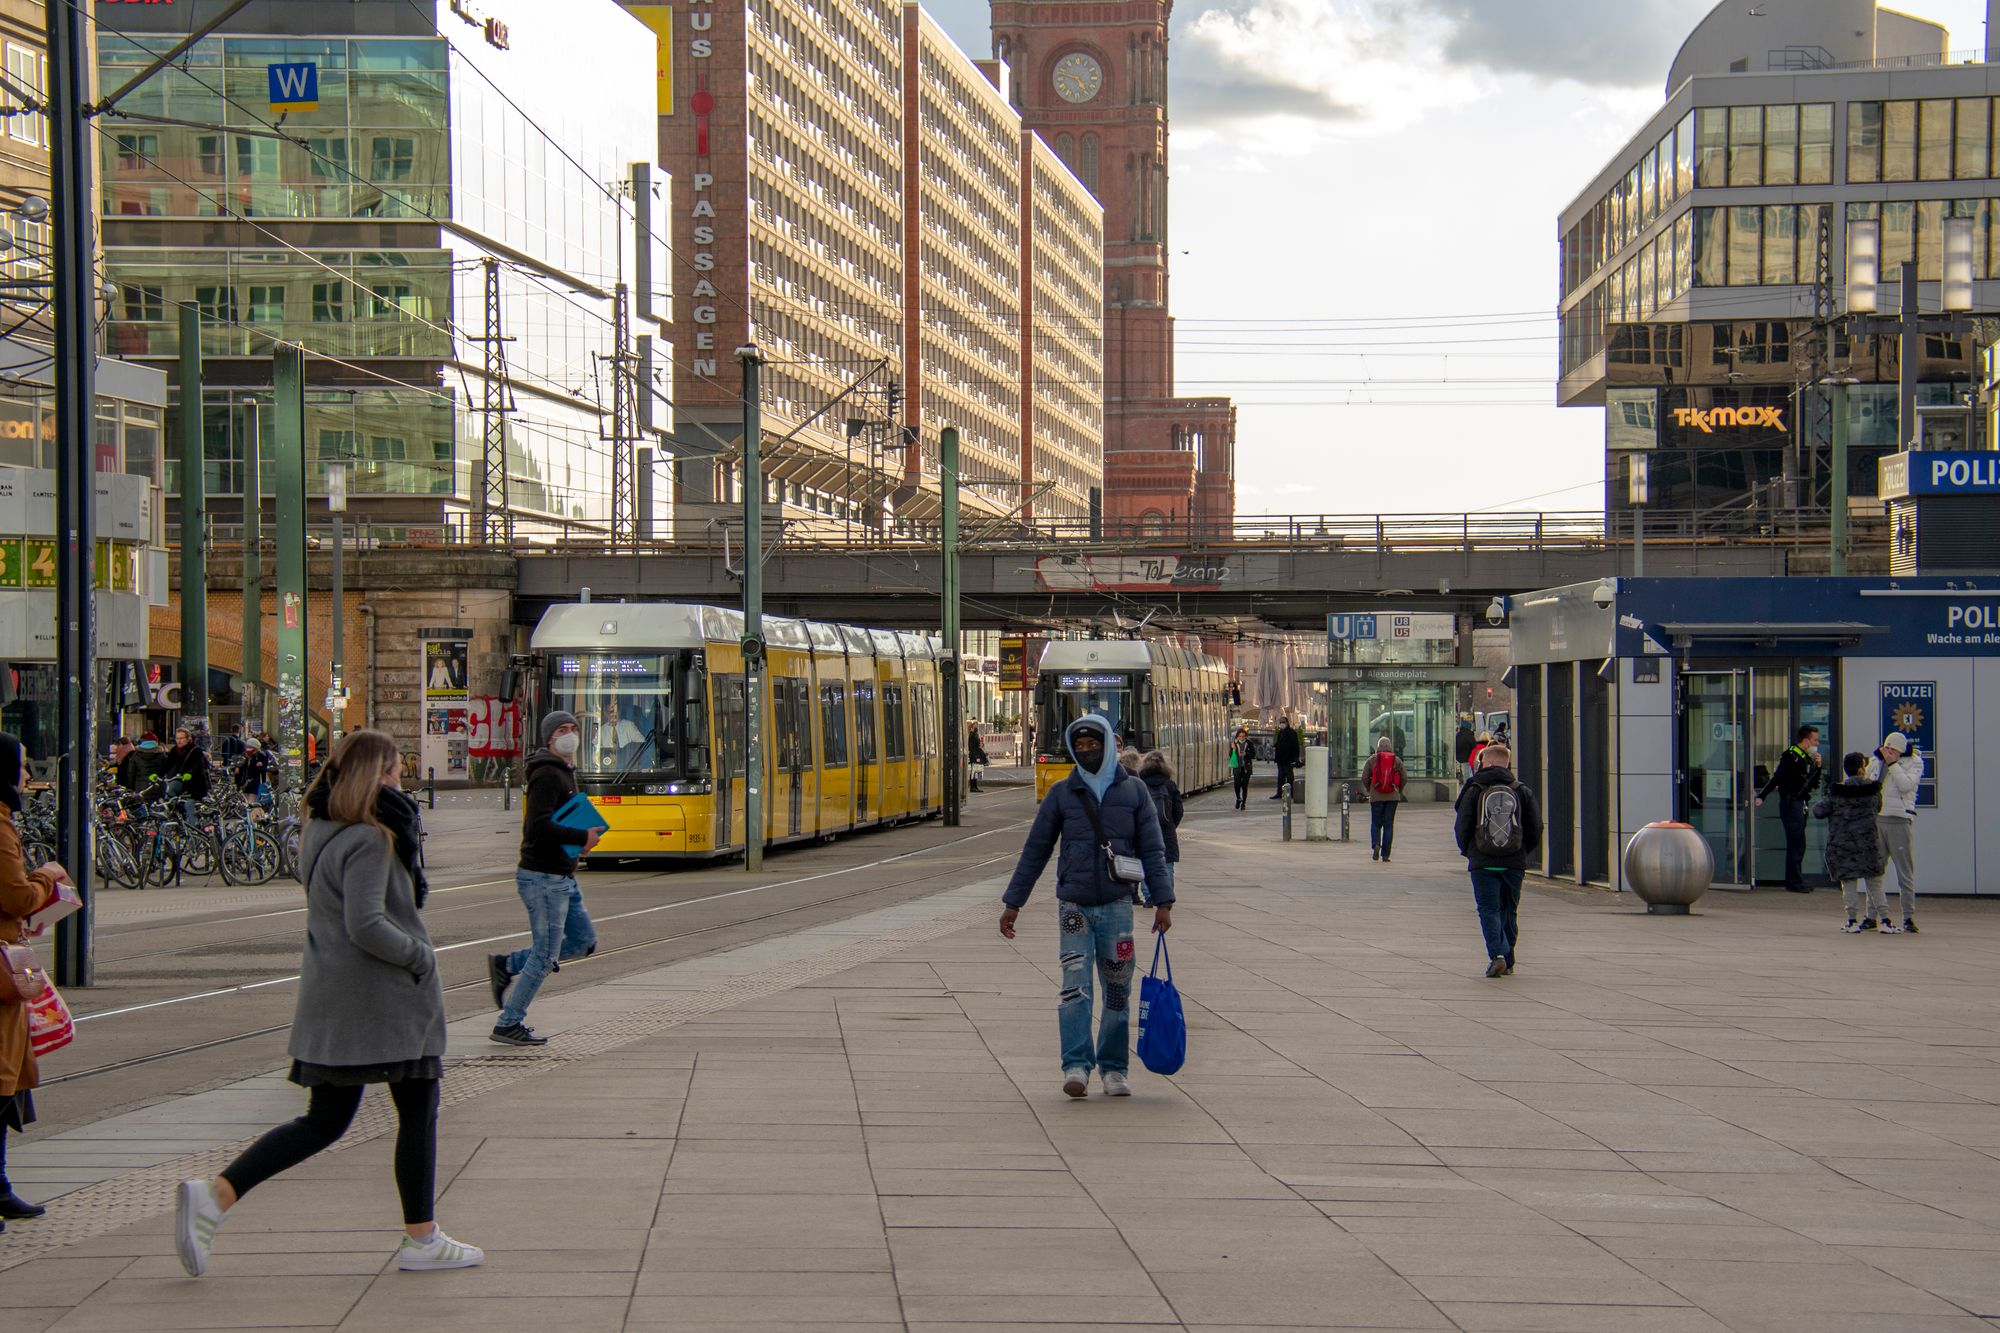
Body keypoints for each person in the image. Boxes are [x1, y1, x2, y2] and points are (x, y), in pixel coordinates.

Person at [174, 729, 480, 1276]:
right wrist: (419, 956)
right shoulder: (369, 838)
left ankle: (217, 1195)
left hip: (336, 997)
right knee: (416, 1112)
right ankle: (422, 1239)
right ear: (374, 775)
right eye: (392, 770)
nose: (399, 779)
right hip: (381, 1001)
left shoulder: (319, 828)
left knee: (326, 1120)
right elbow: (366, 923)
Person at [999, 715, 1172, 1099]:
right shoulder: (1063, 793)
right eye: (1078, 747)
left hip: (1117, 907)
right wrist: (1014, 902)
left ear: (1107, 745)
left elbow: (1153, 850)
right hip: (1073, 907)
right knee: (1074, 988)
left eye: (1092, 745)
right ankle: (1075, 1064)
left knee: (1116, 990)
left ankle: (1114, 1068)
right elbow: (1036, 850)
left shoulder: (1135, 793)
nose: (1085, 752)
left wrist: (1163, 901)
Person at [487, 711, 601, 1046]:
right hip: (543, 877)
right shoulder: (548, 774)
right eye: (562, 730)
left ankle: (506, 965)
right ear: (549, 738)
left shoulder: (565, 772)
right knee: (545, 954)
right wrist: (581, 839)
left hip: (562, 873)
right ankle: (508, 1023)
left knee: (582, 942)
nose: (569, 734)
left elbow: (557, 822)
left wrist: (579, 844)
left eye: (573, 729)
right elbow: (536, 826)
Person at [0, 731, 68, 1233]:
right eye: (21, 766)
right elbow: (16, 896)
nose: (27, 775)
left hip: (6, 961)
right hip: (2, 969)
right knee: (2, 1080)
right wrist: (47, 877)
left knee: (9, 1080)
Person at [1453, 742, 1543, 978]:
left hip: (1483, 861)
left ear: (1488, 762)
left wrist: (1469, 850)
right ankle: (1509, 958)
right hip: (1514, 861)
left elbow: (1462, 823)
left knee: (1488, 909)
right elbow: (1536, 826)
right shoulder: (1521, 789)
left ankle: (1498, 955)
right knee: (1509, 910)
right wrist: (1522, 851)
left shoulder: (1474, 788)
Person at [1813, 751, 1890, 934]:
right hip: (1867, 843)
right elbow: (1878, 807)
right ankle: (1886, 920)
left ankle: (1851, 920)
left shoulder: (1836, 792)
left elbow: (1818, 811)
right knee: (1875, 884)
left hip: (1842, 845)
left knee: (1848, 884)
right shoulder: (1873, 791)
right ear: (1862, 769)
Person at [1755, 724, 1823, 893]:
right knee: (1796, 843)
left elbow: (1812, 784)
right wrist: (1762, 795)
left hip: (1800, 803)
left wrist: (1818, 767)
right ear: (1806, 740)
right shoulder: (1791, 756)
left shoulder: (1805, 758)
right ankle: (1794, 881)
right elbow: (1777, 778)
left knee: (1799, 843)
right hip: (1791, 803)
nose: (1817, 743)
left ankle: (1796, 878)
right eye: (1815, 740)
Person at [1868, 731, 1924, 934]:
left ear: (1900, 750)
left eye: (1892, 749)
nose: (1888, 752)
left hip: (1900, 818)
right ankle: (1871, 915)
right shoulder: (1876, 761)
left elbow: (1906, 785)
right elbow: (1871, 785)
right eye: (1886, 748)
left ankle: (1908, 916)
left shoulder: (1914, 763)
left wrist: (1893, 765)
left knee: (1904, 872)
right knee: (1875, 869)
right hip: (1878, 818)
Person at [1138, 750, 1184, 898]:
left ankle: (1148, 895)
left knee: (1146, 861)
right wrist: (1171, 824)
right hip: (1166, 829)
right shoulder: (1170, 784)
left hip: (1145, 829)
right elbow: (1179, 810)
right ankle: (1166, 894)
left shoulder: (1141, 784)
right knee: (1168, 862)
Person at [1363, 736, 1406, 863]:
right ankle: (1386, 854)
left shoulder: (1372, 760)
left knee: (1376, 823)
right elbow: (1404, 777)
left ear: (1378, 746)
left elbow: (1364, 777)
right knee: (1389, 824)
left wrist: (1369, 789)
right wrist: (1399, 790)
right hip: (1393, 796)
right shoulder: (1396, 760)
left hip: (1376, 796)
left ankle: (1376, 844)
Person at [162, 727, 212, 804]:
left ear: (188, 738)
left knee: (189, 805)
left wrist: (190, 773)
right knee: (171, 791)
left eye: (181, 738)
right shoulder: (174, 750)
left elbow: (197, 765)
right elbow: (168, 765)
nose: (179, 741)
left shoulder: (196, 750)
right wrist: (158, 774)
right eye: (177, 738)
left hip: (196, 782)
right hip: (182, 780)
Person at [1270, 714, 1301, 799]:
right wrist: (1275, 746)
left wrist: (1295, 758)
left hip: (1288, 759)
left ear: (1287, 722)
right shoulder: (1281, 732)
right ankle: (1279, 793)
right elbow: (1279, 743)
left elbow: (1295, 746)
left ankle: (1291, 793)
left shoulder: (1292, 733)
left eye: (1283, 722)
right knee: (1281, 777)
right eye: (1280, 722)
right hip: (1281, 759)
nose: (1281, 724)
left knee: (1289, 777)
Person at [1229, 726, 1254, 810]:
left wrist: (1246, 754)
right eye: (1240, 736)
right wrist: (1234, 751)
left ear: (1245, 736)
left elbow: (1253, 754)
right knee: (1237, 783)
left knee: (1244, 786)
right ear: (1237, 737)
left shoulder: (1249, 743)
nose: (1242, 738)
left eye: (1243, 736)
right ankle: (1238, 798)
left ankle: (1243, 803)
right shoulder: (1234, 744)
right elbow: (1230, 755)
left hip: (1246, 767)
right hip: (1237, 766)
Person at [966, 722, 988, 792]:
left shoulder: (975, 735)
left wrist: (980, 745)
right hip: (975, 755)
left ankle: (975, 786)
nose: (976, 728)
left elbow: (977, 744)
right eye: (975, 726)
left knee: (977, 770)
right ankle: (973, 787)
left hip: (976, 754)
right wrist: (976, 753)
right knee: (974, 770)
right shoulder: (972, 735)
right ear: (972, 728)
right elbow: (971, 746)